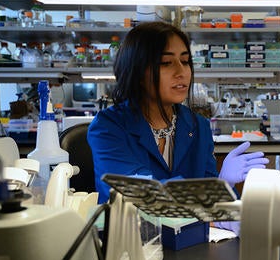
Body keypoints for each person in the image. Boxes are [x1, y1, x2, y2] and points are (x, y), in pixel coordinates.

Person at [88, 22, 269, 234]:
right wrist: (215, 187)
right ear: (137, 71)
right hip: (130, 245)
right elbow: (140, 198)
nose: (181, 71)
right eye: (166, 63)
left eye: (185, 61)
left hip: (189, 247)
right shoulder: (109, 128)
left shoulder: (197, 126)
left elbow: (219, 208)